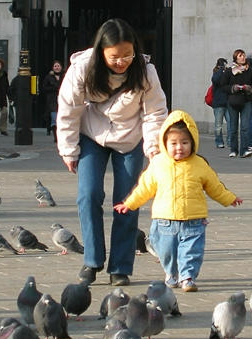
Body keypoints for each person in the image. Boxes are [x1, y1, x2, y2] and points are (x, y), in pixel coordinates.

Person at [56, 18, 168, 286]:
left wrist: (153, 149)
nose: (122, 62)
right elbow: (68, 110)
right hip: (91, 135)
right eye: (115, 57)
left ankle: (120, 267)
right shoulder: (82, 68)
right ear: (101, 52)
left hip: (129, 138)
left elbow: (155, 114)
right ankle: (92, 261)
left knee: (128, 201)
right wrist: (69, 149)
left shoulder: (145, 71)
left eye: (127, 55)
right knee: (88, 194)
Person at [114, 110, 242, 292]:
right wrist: (129, 204)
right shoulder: (158, 163)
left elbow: (215, 186)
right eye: (173, 143)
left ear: (193, 143)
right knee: (166, 252)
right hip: (164, 221)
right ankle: (171, 273)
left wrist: (229, 198)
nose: (179, 147)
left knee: (191, 252)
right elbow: (144, 188)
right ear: (165, 143)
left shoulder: (200, 164)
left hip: (194, 221)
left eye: (184, 143)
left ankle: (187, 276)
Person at [220, 49, 252, 158]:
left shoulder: (250, 70)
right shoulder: (229, 71)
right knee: (233, 127)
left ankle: (244, 150)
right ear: (236, 58)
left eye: (244, 55)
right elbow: (223, 86)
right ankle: (233, 149)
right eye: (240, 55)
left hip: (246, 100)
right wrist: (233, 88)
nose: (243, 57)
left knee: (245, 127)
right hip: (233, 101)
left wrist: (248, 88)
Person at [211, 58, 231, 148]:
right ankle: (219, 141)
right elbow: (215, 80)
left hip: (228, 102)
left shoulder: (227, 73)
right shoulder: (216, 73)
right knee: (218, 125)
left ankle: (230, 141)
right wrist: (220, 70)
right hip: (218, 103)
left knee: (230, 123)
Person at [42, 60, 64, 141]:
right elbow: (44, 88)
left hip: (63, 100)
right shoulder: (49, 77)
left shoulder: (64, 76)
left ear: (61, 67)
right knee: (54, 119)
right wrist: (54, 88)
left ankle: (61, 136)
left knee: (62, 119)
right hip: (52, 101)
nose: (57, 68)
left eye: (58, 66)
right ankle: (56, 137)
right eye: (55, 66)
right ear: (53, 68)